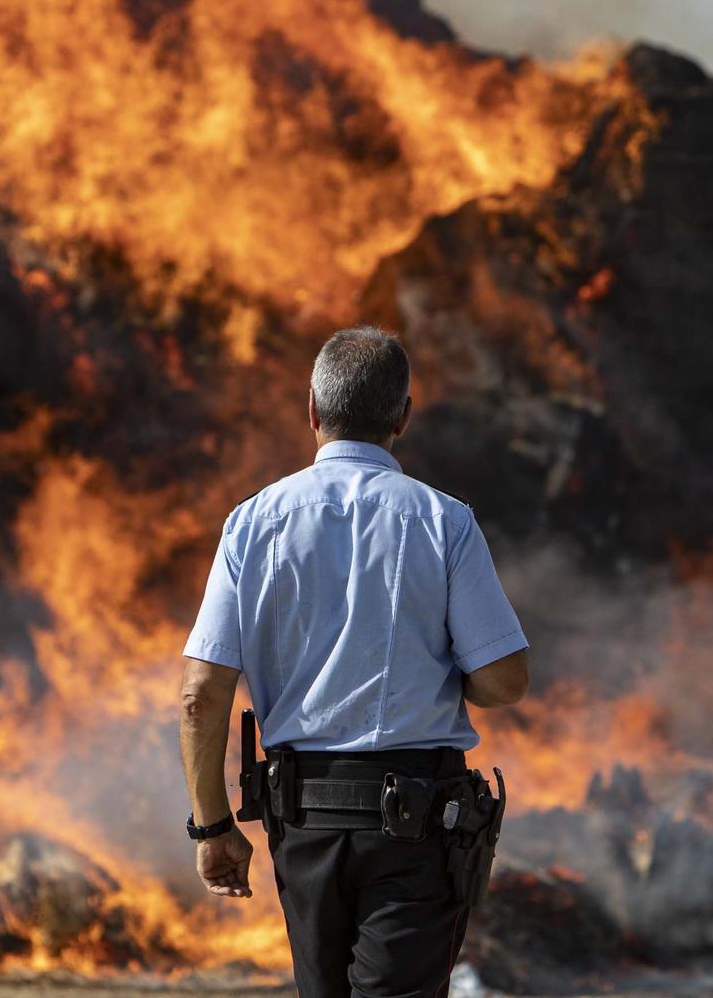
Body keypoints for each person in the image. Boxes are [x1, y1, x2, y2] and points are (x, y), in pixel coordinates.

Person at [178, 326, 530, 998]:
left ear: (312, 409)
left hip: (300, 824)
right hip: (416, 825)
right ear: (402, 415)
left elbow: (200, 693)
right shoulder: (443, 520)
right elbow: (506, 680)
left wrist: (214, 826)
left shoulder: (250, 522)